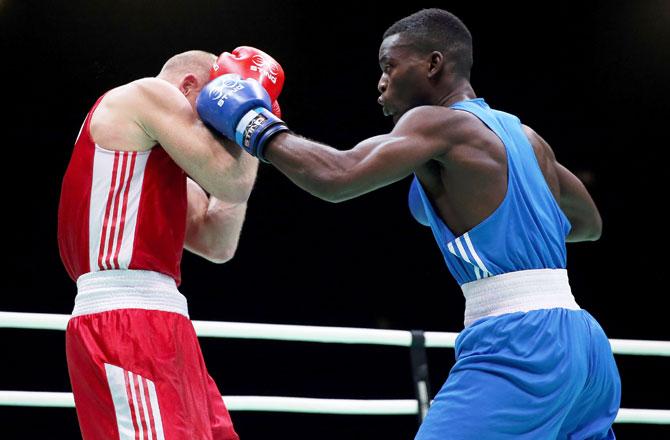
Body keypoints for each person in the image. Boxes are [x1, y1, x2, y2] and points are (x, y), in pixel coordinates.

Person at [196, 8, 622, 440]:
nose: (381, 81)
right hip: (586, 346)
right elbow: (588, 224)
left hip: (521, 343)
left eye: (389, 66)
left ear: (433, 65)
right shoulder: (528, 139)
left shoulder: (435, 123)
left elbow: (337, 178)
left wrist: (253, 122)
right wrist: (509, 225)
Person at [57, 50, 261, 440]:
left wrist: (247, 135)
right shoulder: (145, 94)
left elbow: (217, 242)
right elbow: (230, 181)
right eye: (215, 106)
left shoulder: (154, 170)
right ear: (188, 86)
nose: (215, 129)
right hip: (124, 321)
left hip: (168, 323)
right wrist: (253, 117)